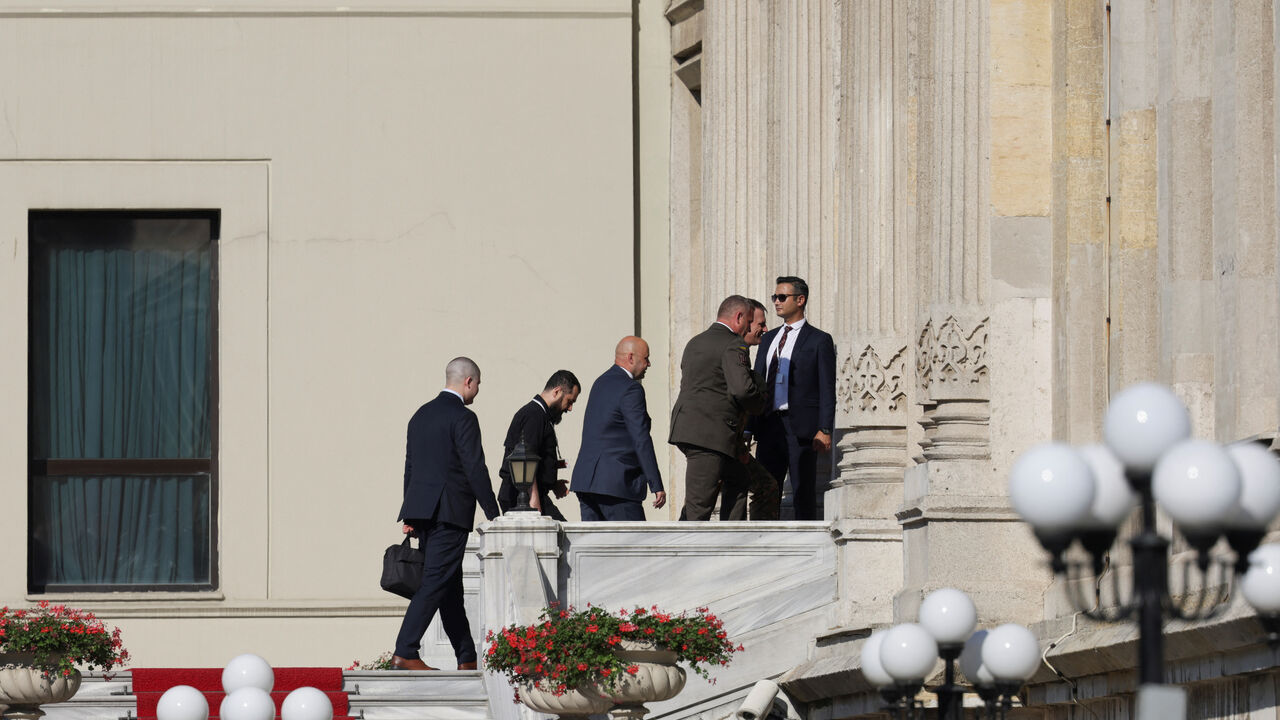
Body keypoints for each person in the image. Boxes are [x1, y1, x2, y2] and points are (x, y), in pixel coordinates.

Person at [392, 357, 501, 671]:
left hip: (424, 514)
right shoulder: (463, 417)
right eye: (477, 384)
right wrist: (493, 513)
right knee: (435, 582)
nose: (477, 391)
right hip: (449, 513)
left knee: (450, 588)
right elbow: (474, 468)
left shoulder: (420, 416)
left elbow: (410, 467)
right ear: (468, 381)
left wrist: (410, 513)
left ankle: (467, 658)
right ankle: (405, 650)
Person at [669, 295, 766, 521]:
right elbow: (741, 389)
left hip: (691, 428)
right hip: (709, 435)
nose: (749, 327)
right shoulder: (734, 344)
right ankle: (683, 553)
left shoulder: (696, 341)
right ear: (739, 317)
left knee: (739, 479)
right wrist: (760, 403)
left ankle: (731, 540)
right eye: (749, 321)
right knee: (699, 506)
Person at [750, 276, 836, 521]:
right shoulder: (769, 338)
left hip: (801, 425)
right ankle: (763, 542)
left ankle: (804, 542)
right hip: (768, 423)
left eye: (781, 297)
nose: (776, 302)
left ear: (800, 300)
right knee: (765, 487)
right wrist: (749, 427)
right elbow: (757, 380)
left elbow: (827, 388)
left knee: (802, 488)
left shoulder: (819, 340)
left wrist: (824, 428)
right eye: (774, 297)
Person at [570, 336, 667, 521]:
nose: (649, 364)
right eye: (646, 358)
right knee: (633, 547)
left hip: (586, 483)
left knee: (594, 549)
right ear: (631, 357)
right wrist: (656, 484)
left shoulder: (599, 382)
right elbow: (641, 438)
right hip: (617, 486)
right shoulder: (631, 389)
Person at [497, 370, 581, 520]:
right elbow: (525, 460)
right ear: (557, 391)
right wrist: (533, 500)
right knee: (563, 537)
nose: (570, 408)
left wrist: (552, 482)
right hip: (522, 499)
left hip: (528, 495)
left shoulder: (540, 415)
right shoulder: (534, 416)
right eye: (570, 401)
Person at [738, 298, 781, 520]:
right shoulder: (732, 351)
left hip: (733, 442)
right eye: (760, 324)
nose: (765, 329)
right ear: (742, 321)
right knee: (705, 500)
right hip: (720, 444)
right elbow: (742, 394)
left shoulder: (742, 352)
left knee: (761, 487)